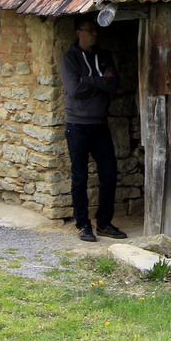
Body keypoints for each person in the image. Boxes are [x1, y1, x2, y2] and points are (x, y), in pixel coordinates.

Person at [59, 16, 127, 242]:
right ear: (79, 33)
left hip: (100, 124)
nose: (95, 34)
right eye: (90, 30)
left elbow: (113, 84)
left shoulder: (103, 56)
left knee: (108, 173)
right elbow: (74, 89)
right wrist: (98, 81)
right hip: (77, 124)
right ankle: (83, 224)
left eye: (96, 31)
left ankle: (104, 223)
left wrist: (88, 79)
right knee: (79, 176)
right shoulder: (69, 59)